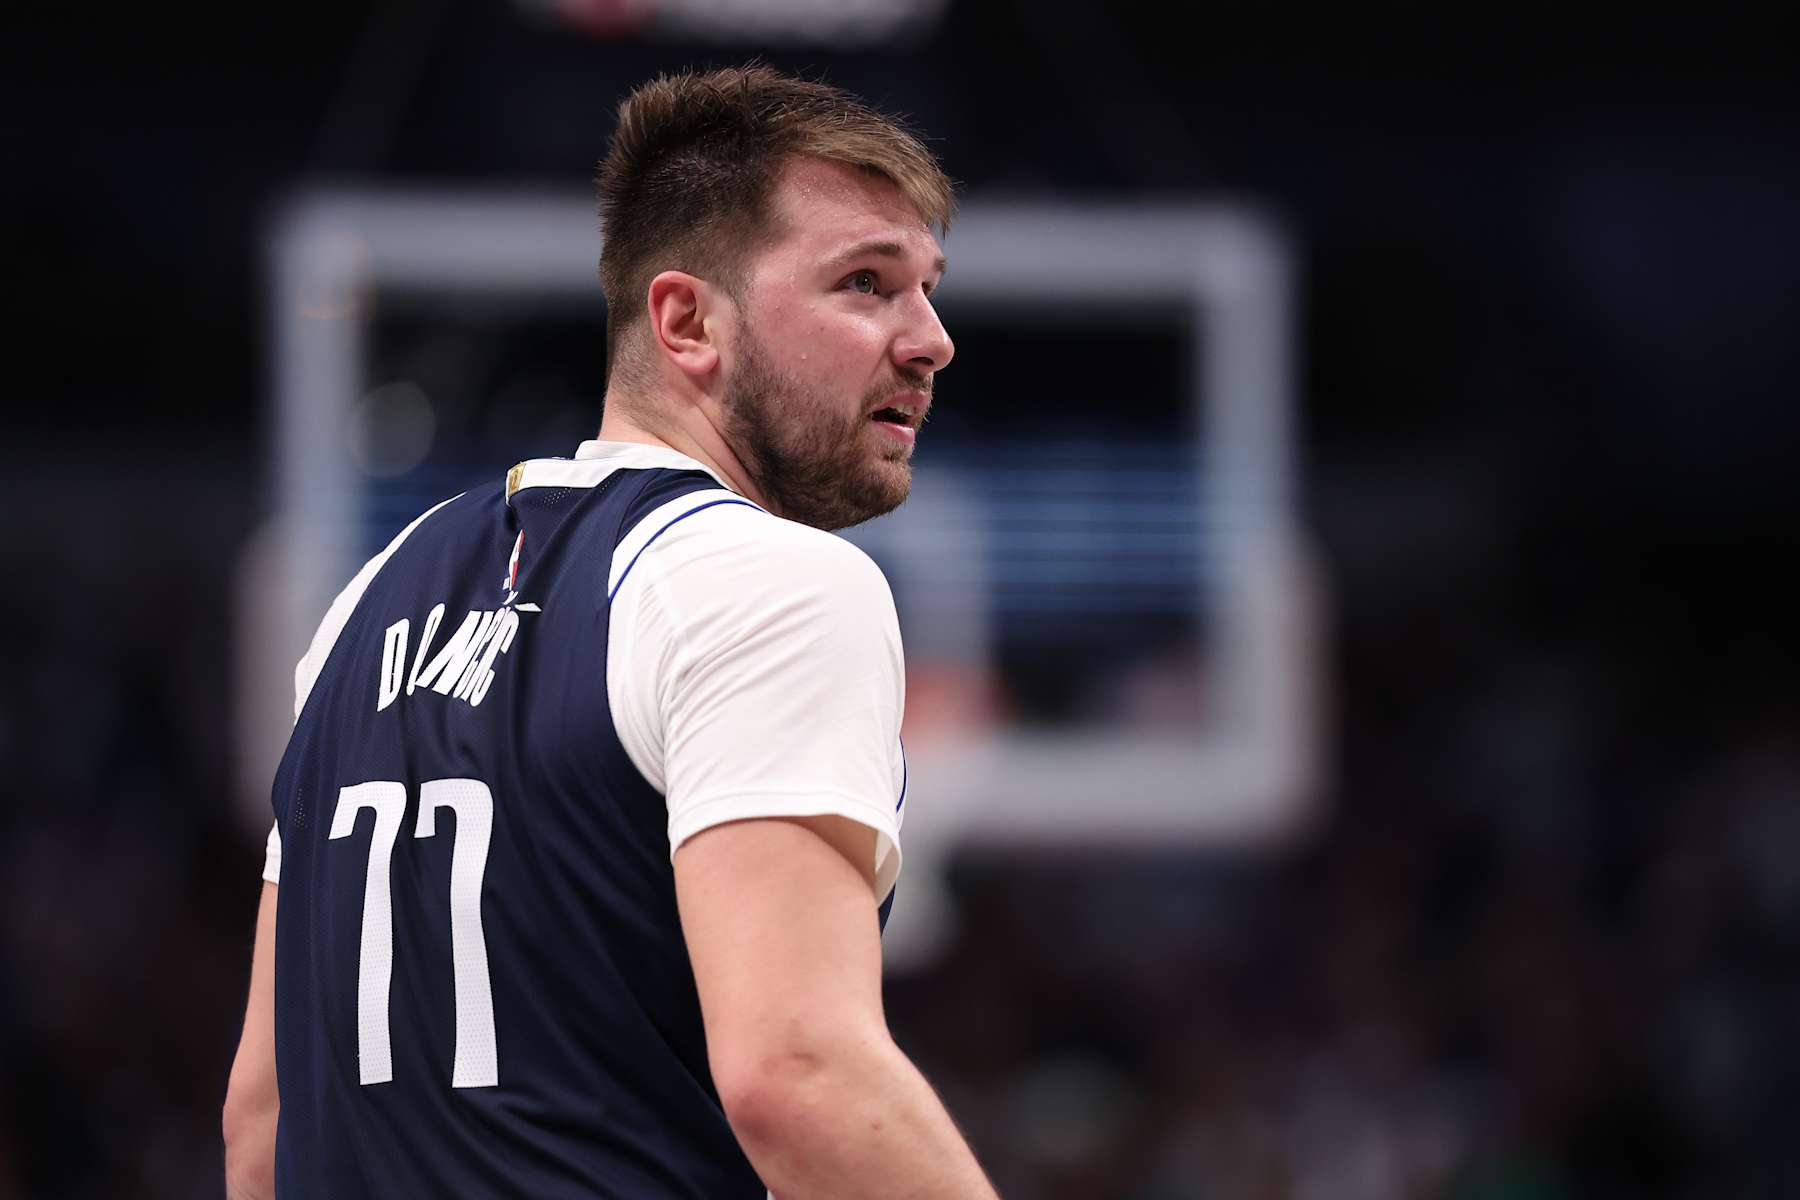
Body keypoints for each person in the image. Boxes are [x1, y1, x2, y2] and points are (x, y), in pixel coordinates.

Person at [222, 64, 998, 1198]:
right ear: (686, 320)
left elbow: (263, 1115)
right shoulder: (769, 582)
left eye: (928, 288)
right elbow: (799, 1073)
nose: (931, 339)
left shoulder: (366, 600)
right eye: (868, 284)